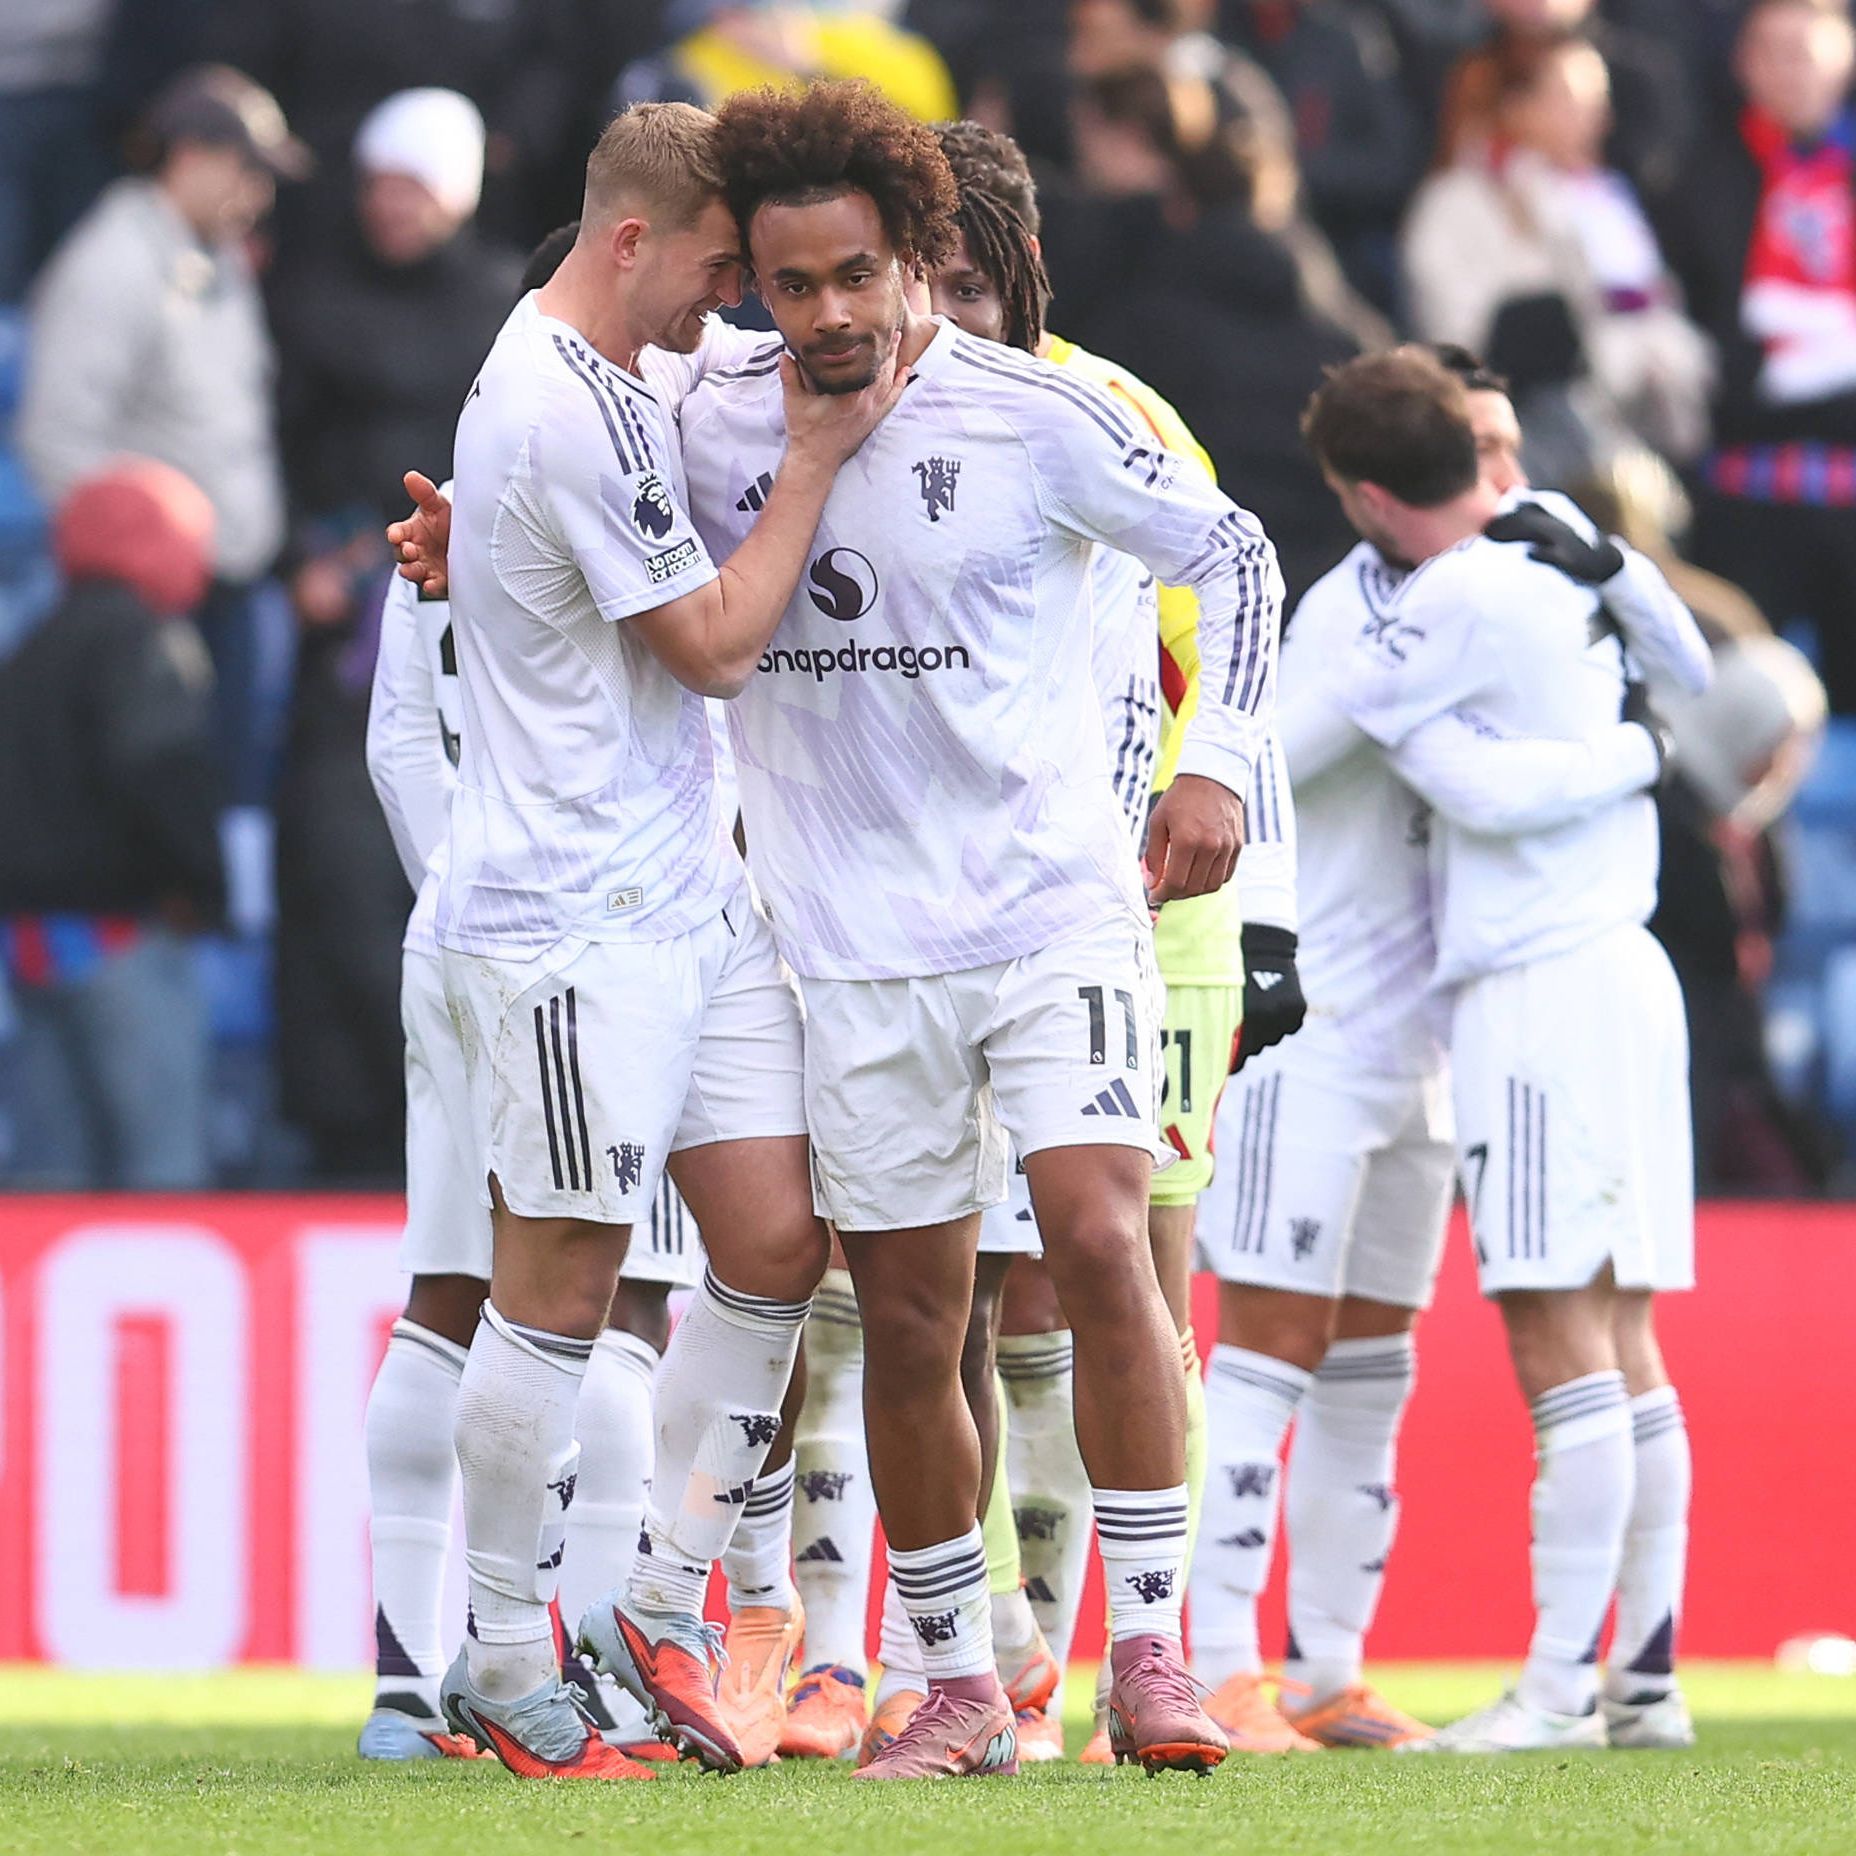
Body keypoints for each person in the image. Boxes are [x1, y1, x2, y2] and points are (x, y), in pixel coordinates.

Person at [672, 79, 1276, 1780]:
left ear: (918, 260)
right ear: (754, 283)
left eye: (859, 275)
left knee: (1098, 1241)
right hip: (850, 942)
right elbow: (564, 499)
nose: (830, 315)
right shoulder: (706, 417)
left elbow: (1236, 557)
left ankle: (1149, 1659)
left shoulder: (1040, 414)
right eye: (794, 285)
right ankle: (951, 1680)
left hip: (1049, 907)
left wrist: (1215, 761)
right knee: (914, 1312)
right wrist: (459, 549)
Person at [407, 100, 899, 1782]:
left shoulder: (620, 372)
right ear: (632, 239)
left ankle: (658, 1597)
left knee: (777, 1242)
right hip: (567, 920)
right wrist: (816, 462)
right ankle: (499, 1656)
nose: (732, 300)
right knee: (558, 1284)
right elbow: (710, 643)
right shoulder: (557, 404)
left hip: (691, 889)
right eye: (718, 265)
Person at [1191, 345, 1691, 1753]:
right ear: (1385, 488)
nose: (1505, 481)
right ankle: (1217, 1662)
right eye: (1480, 451)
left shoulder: (1513, 585)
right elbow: (1266, 757)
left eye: (1509, 450)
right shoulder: (1352, 617)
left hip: (1434, 1038)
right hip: (1312, 1026)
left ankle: (1325, 1668)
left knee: (1374, 1358)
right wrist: (1644, 751)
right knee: (1269, 1343)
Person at [884, 117, 1302, 1769]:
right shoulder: (841, 413)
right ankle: (980, 1650)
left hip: (1131, 903)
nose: (945, 319)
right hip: (911, 923)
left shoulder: (1106, 415)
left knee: (1126, 1265)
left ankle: (1141, 1650)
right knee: (951, 1297)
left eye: (970, 285)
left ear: (1025, 274)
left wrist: (1226, 851)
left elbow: (1224, 634)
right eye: (924, 284)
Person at [16, 64, 308, 808]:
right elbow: (54, 441)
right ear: (190, 155)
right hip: (149, 612)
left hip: (231, 581)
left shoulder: (218, 255)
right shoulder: (111, 264)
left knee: (231, 800)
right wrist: (139, 557)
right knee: (160, 807)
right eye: (246, 170)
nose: (260, 195)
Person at [0, 459, 223, 1189]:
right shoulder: (140, 640)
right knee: (162, 1172)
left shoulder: (34, 646)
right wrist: (203, 890)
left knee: (52, 1175)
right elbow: (160, 773)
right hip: (122, 935)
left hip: (34, 942)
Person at [1657, 0, 1856, 713]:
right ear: (1741, 63)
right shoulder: (1695, 176)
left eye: (1805, 51)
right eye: (1770, 51)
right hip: (1744, 490)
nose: (1789, 71)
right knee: (1740, 706)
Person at [1403, 32, 1714, 484]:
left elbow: (1652, 309)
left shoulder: (1605, 197)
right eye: (1570, 100)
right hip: (1524, 439)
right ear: (1517, 107)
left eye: (1597, 101)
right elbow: (1465, 341)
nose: (1596, 118)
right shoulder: (1454, 205)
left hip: (1630, 431)